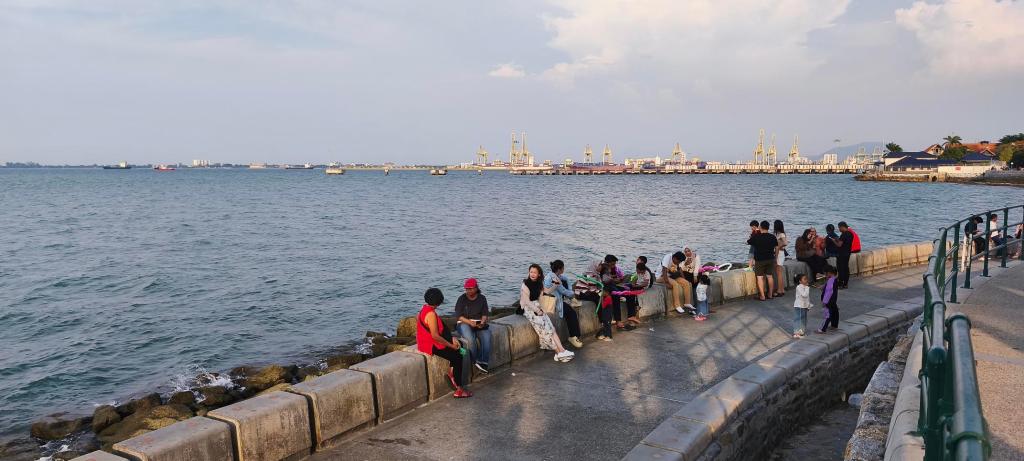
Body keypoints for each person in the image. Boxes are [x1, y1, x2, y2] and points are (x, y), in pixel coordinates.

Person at [416, 288, 472, 398]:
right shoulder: (431, 314)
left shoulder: (424, 309)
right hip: (430, 344)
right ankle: (459, 389)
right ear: (439, 301)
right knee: (458, 356)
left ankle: (452, 373)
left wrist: (451, 339)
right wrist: (451, 345)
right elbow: (435, 336)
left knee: (459, 346)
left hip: (425, 341)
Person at [521, 264, 575, 362]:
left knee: (551, 328)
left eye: (535, 272)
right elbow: (527, 302)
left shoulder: (539, 283)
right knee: (546, 331)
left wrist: (555, 285)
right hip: (529, 309)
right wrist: (537, 311)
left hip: (538, 307)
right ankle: (559, 352)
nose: (532, 274)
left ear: (539, 274)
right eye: (531, 272)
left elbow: (546, 291)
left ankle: (561, 351)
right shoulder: (525, 284)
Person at [454, 278, 492, 373]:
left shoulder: (482, 298)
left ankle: (483, 362)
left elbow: (485, 314)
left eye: (471, 288)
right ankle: (474, 360)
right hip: (464, 322)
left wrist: (482, 322)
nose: (469, 291)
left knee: (487, 337)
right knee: (470, 338)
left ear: (476, 288)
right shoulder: (462, 299)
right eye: (467, 289)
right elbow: (458, 316)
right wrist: (469, 322)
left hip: (478, 322)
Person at [545, 260, 583, 348]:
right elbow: (564, 291)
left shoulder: (551, 275)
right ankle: (574, 336)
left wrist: (569, 288)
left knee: (565, 281)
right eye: (563, 268)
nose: (564, 269)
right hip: (554, 302)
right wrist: (572, 293)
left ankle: (572, 300)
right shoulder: (555, 279)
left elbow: (564, 278)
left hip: (553, 298)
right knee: (572, 313)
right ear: (560, 269)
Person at [747, 221, 779, 301]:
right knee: (770, 276)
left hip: (760, 260)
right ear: (768, 227)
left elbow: (748, 242)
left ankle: (762, 296)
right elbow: (777, 247)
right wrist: (775, 257)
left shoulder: (757, 237)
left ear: (760, 227)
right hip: (770, 259)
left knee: (760, 277)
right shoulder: (772, 237)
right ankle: (770, 294)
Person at [817, 266, 839, 333]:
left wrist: (824, 302)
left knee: (828, 315)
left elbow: (828, 292)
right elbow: (829, 287)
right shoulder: (834, 279)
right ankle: (834, 325)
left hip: (829, 301)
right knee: (835, 312)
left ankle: (823, 329)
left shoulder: (830, 281)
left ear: (829, 273)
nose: (825, 276)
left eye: (826, 274)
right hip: (833, 300)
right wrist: (824, 286)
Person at [833, 221, 855, 289]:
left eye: (839, 228)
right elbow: (846, 243)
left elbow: (839, 245)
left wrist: (833, 241)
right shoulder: (851, 234)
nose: (839, 229)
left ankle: (840, 284)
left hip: (841, 254)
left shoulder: (843, 234)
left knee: (840, 269)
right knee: (846, 268)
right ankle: (845, 284)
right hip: (847, 253)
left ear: (842, 227)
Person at [793, 274, 812, 338]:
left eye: (806, 278)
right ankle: (796, 333)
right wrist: (807, 287)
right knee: (799, 319)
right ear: (800, 281)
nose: (806, 280)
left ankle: (802, 332)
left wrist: (808, 306)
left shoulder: (804, 287)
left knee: (803, 319)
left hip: (803, 306)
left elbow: (807, 298)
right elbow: (804, 295)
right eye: (804, 279)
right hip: (799, 306)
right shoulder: (799, 287)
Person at [773, 220, 788, 297]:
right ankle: (782, 289)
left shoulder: (780, 234)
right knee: (780, 273)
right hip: (781, 253)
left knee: (779, 273)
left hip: (779, 254)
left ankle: (779, 291)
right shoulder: (781, 233)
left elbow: (785, 243)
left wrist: (779, 246)